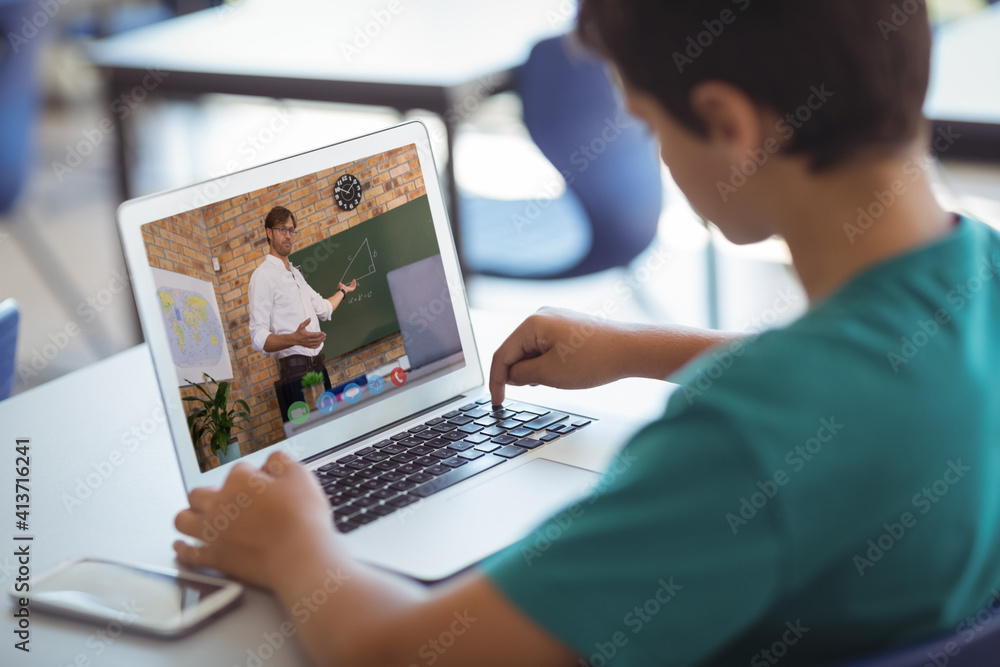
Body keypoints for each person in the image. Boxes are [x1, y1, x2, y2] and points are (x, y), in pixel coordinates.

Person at [173, 1, 1000, 664]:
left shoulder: (742, 447)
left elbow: (406, 650)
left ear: (729, 123)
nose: (659, 153)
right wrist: (640, 349)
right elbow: (879, 378)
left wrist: (295, 548)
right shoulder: (976, 275)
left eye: (647, 126)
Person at [248, 206, 357, 399]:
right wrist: (294, 338)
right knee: (313, 429)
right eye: (282, 229)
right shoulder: (262, 276)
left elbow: (323, 309)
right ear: (269, 233)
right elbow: (258, 337)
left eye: (291, 230)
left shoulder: (295, 274)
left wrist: (342, 291)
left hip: (319, 367)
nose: (288, 235)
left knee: (332, 424)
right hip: (296, 373)